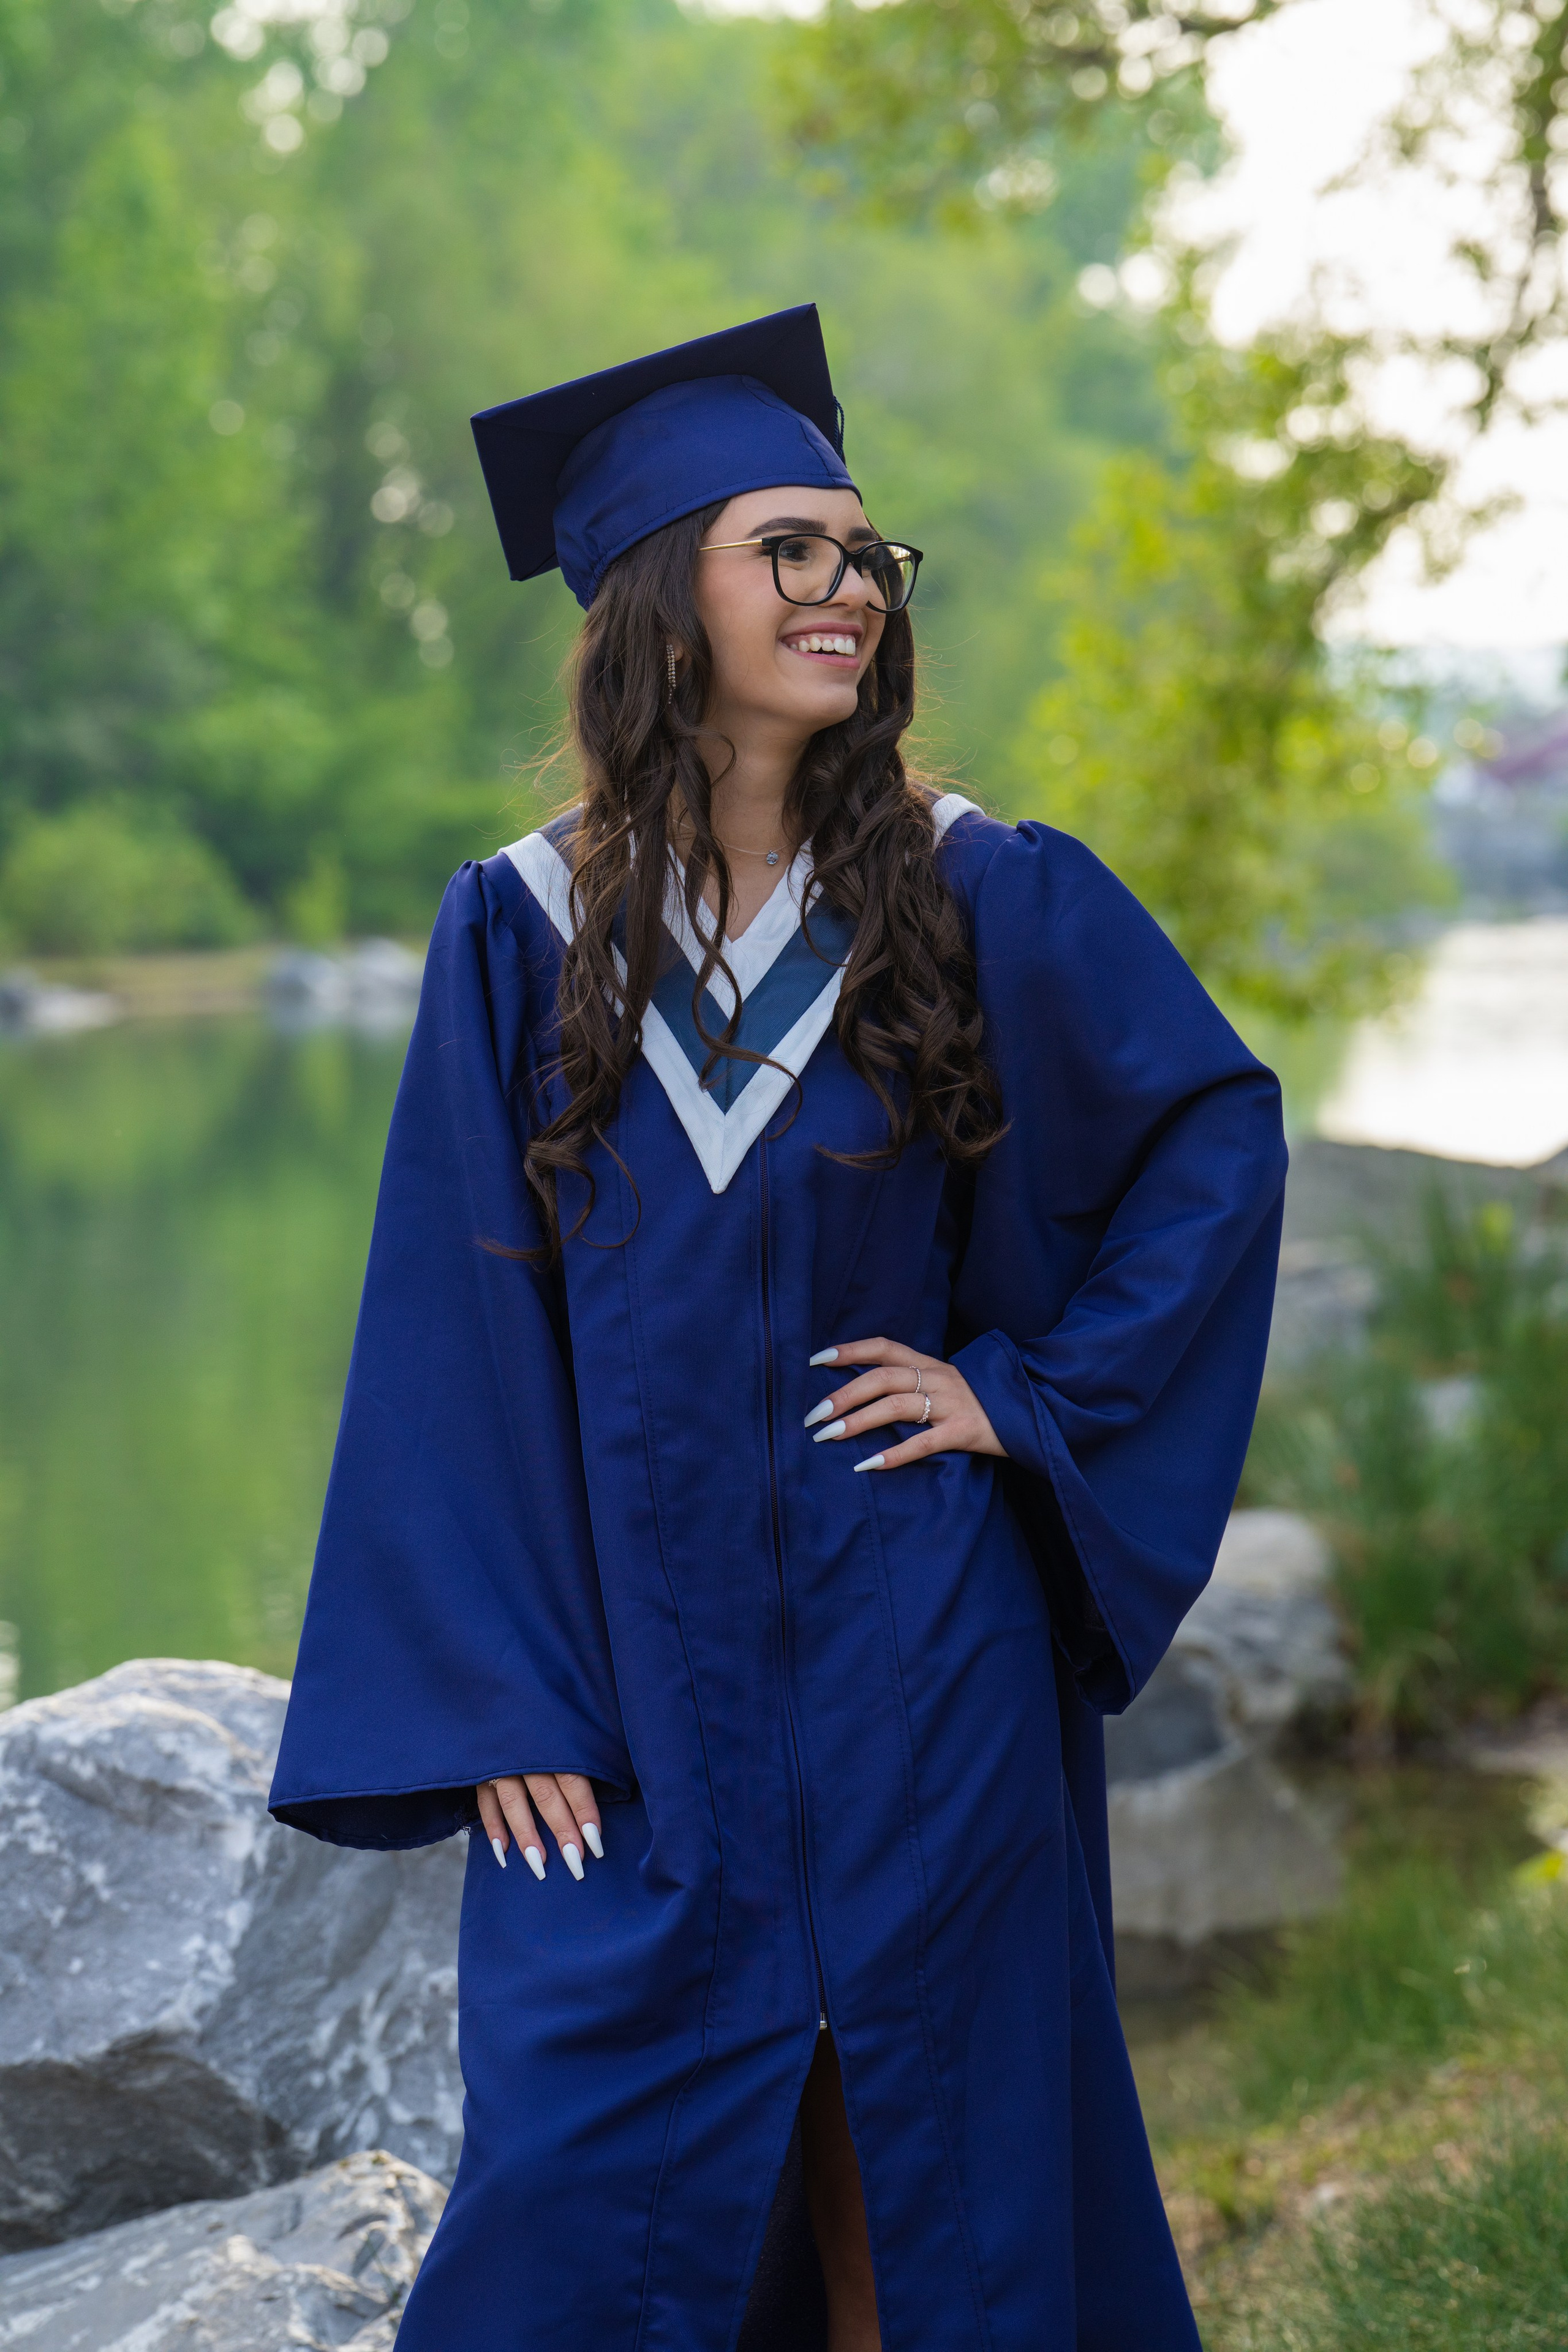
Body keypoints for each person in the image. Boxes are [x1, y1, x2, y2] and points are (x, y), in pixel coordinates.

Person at [269, 303, 1286, 2351]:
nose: (851, 594)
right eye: (792, 553)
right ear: (665, 599)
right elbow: (454, 1347)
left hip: (925, 1666)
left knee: (928, 2190)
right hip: (644, 1704)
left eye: (868, 558)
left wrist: (1026, 1397)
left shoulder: (983, 890)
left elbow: (1210, 1144)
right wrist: (504, 1697)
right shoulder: (522, 930)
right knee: (591, 2190)